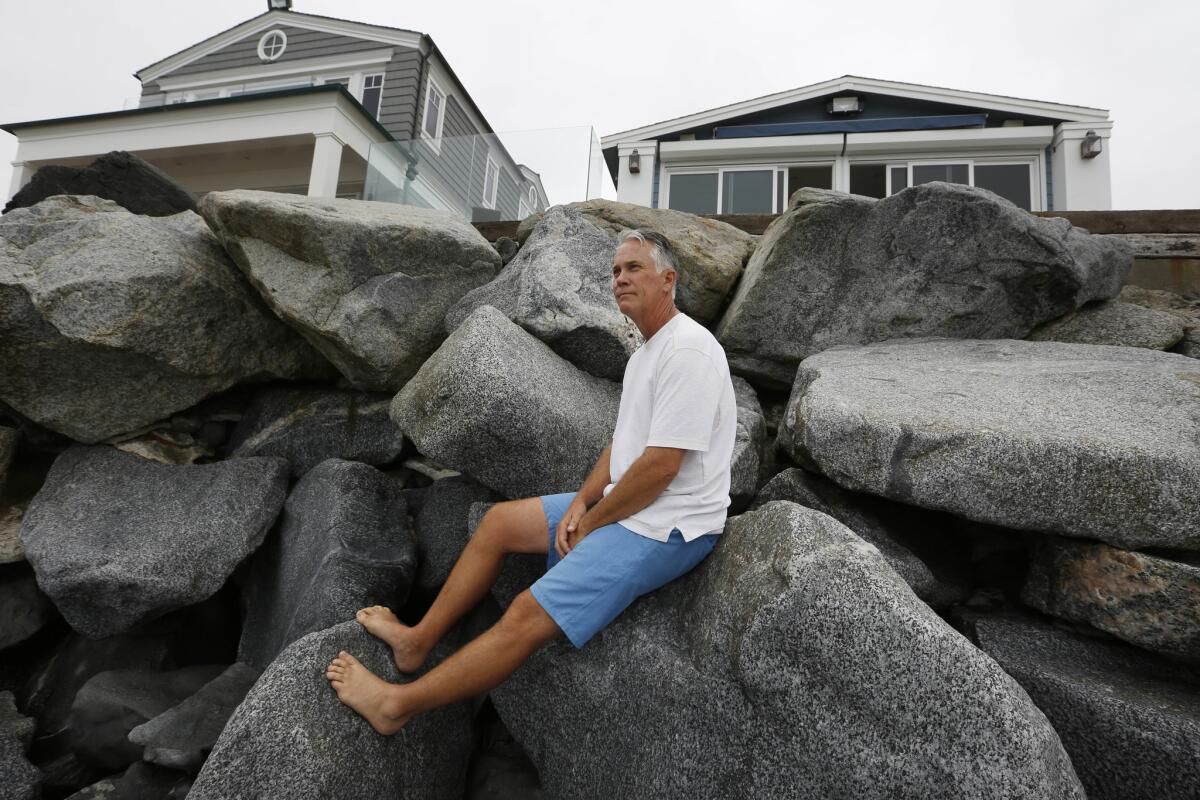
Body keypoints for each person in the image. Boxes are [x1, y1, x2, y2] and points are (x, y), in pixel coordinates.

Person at [325, 228, 737, 735]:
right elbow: (623, 445)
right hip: (632, 504)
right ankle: (417, 641)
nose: (620, 279)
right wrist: (584, 501)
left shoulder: (689, 350)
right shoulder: (646, 353)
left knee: (525, 613)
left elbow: (661, 466)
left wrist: (591, 523)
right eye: (614, 271)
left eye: (634, 268)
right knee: (498, 524)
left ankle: (396, 706)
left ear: (668, 279)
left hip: (670, 525)